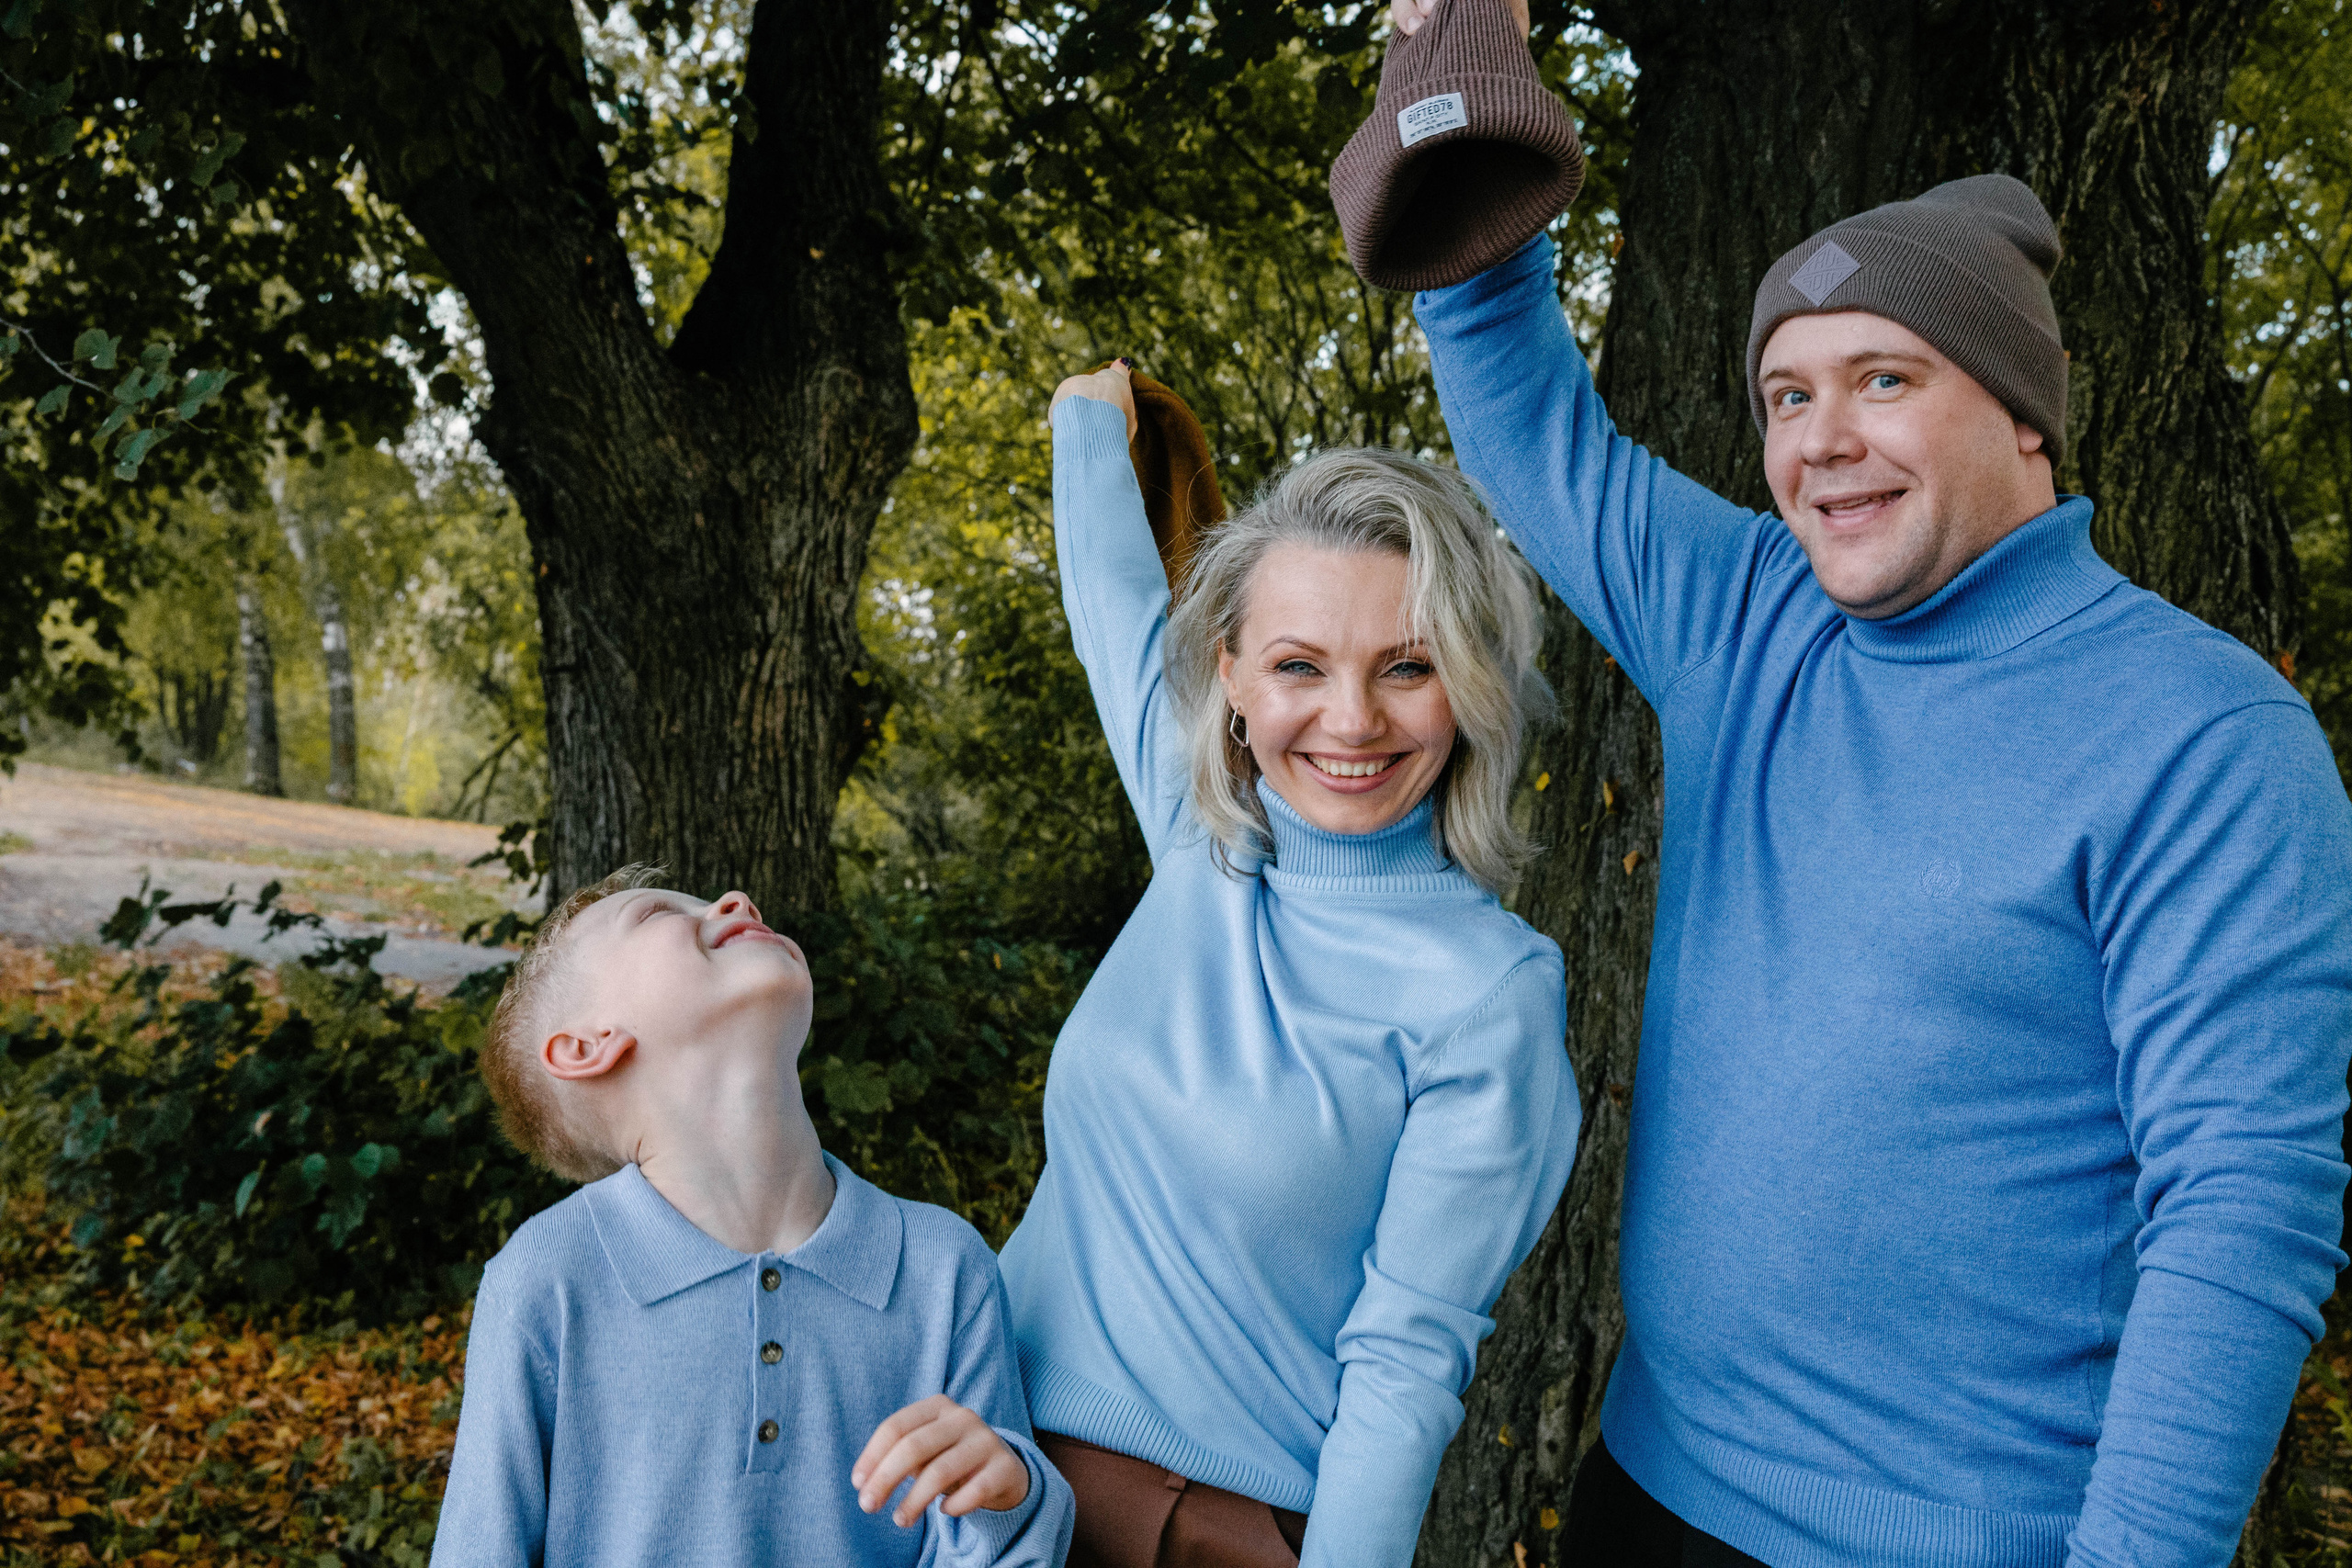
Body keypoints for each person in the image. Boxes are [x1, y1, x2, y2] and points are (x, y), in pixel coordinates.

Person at [1390, 3, 2352, 1560]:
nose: (1822, 440)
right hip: (1652, 1490)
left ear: (2023, 413)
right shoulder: (1750, 617)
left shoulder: (2205, 734)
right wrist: (1455, 63)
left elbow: (2242, 1215)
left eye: (1884, 379)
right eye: (1788, 394)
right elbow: (1531, 426)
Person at [999, 359, 1581, 1568]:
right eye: (1299, 665)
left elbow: (1405, 1362)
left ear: (1471, 682)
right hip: (981, 1465)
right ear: (1230, 674)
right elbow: (1112, 600)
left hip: (1191, 1528)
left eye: (1408, 665)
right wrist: (1088, 421)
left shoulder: (1490, 993)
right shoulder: (1204, 840)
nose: (1352, 719)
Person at [430, 867, 1075, 1568]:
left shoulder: (946, 1266)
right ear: (586, 1044)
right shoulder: (545, 1278)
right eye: (656, 913)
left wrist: (1009, 1501)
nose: (738, 901)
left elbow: (992, 1549)